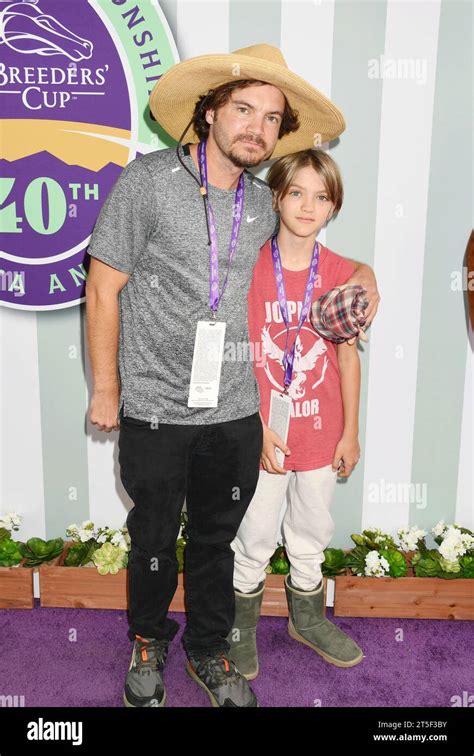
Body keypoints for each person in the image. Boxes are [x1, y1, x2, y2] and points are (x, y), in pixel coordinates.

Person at [85, 43, 379, 708]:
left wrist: (366, 274)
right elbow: (102, 290)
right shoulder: (149, 182)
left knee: (218, 540)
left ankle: (211, 649)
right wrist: (107, 389)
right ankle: (149, 640)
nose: (256, 127)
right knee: (155, 538)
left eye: (271, 118)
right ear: (210, 112)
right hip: (156, 408)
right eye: (243, 109)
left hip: (236, 413)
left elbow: (315, 252)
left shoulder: (264, 203)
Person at [228, 148, 365, 680]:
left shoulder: (339, 273)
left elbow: (347, 358)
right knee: (256, 530)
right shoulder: (250, 268)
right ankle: (240, 627)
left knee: (312, 526)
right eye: (297, 193)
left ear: (334, 206)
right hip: (261, 434)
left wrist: (350, 432)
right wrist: (257, 426)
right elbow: (234, 355)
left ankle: (306, 618)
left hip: (321, 434)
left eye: (322, 196)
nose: (309, 206)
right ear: (277, 197)